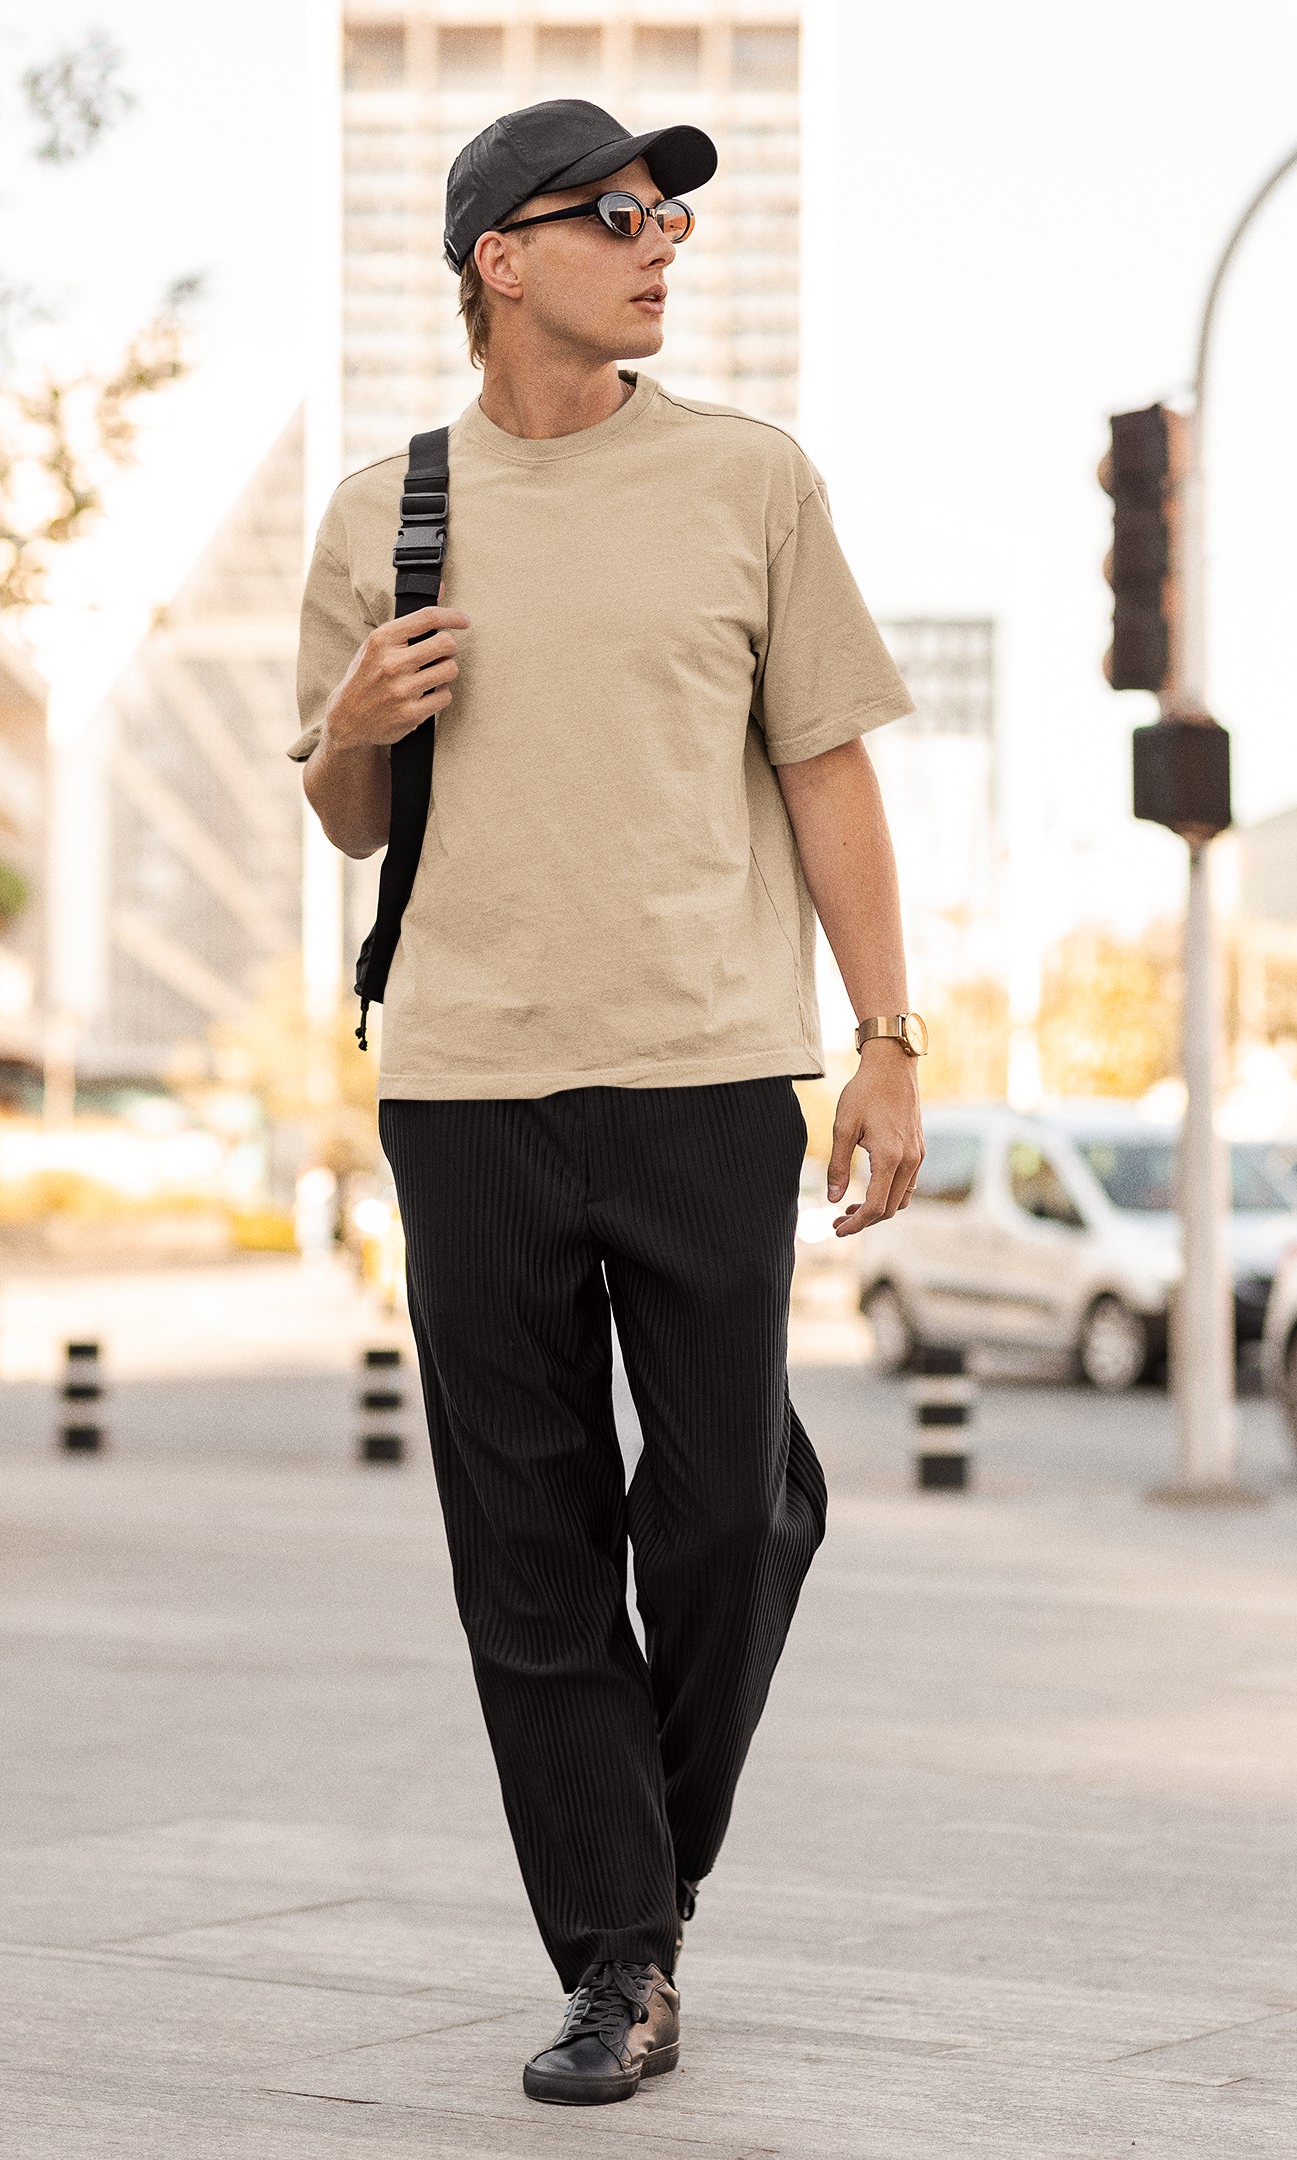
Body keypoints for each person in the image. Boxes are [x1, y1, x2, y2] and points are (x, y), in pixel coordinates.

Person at [292, 98, 926, 2108]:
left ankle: (628, 1865)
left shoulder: (748, 482)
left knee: (729, 1507)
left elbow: (827, 763)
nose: (664, 245)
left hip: (707, 1066)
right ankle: (623, 1956)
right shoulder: (382, 506)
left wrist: (892, 1035)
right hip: (466, 1078)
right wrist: (347, 729)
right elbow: (346, 820)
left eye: (670, 216)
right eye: (616, 216)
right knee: (531, 1532)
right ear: (500, 257)